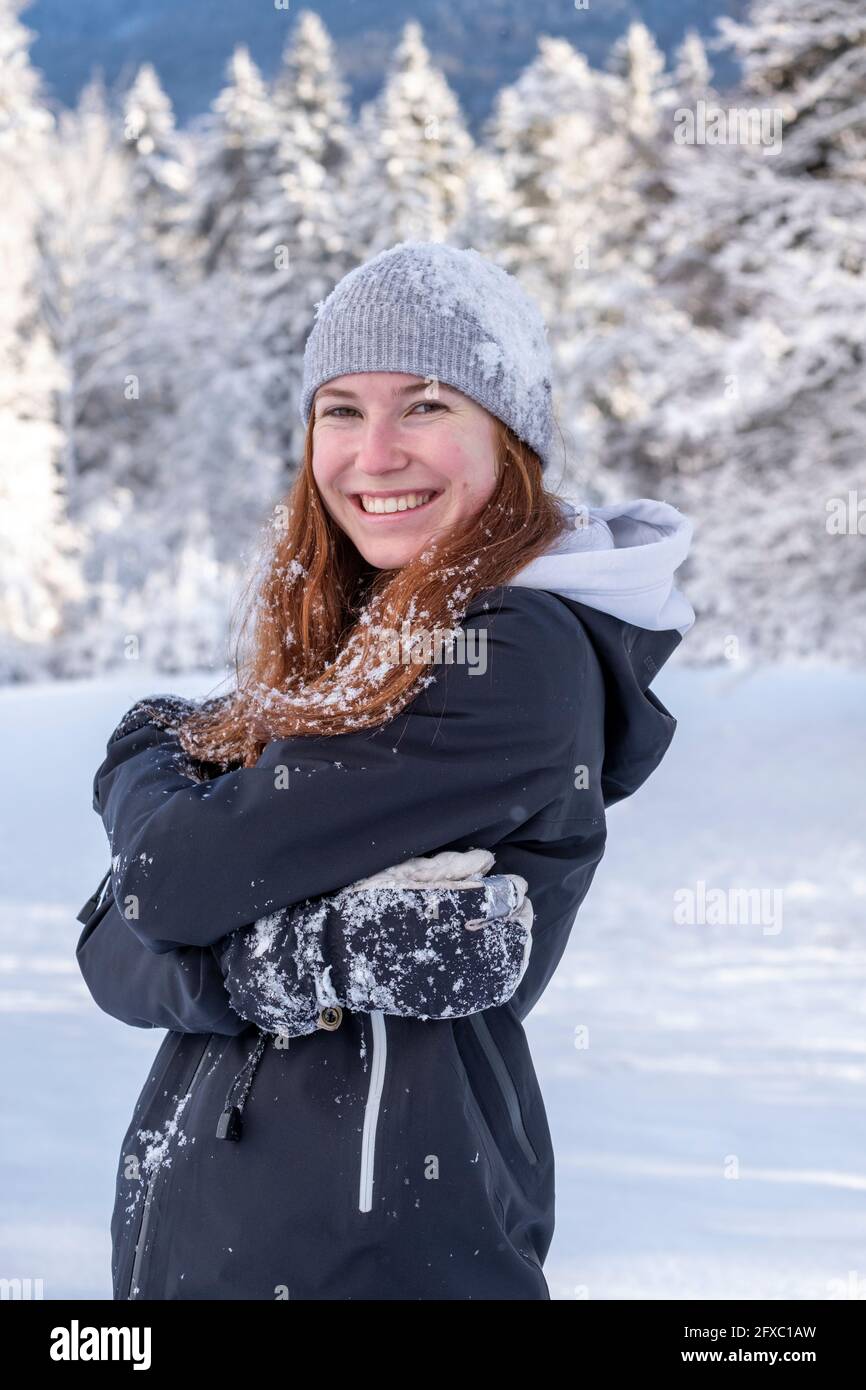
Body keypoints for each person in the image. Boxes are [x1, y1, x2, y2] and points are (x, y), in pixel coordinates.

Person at [78, 240, 695, 1301]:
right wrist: (283, 965)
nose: (374, 455)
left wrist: (142, 750)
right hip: (211, 1253)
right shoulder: (359, 653)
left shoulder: (516, 656)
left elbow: (164, 883)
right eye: (341, 410)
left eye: (424, 405)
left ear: (507, 434)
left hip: (381, 1259)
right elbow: (107, 949)